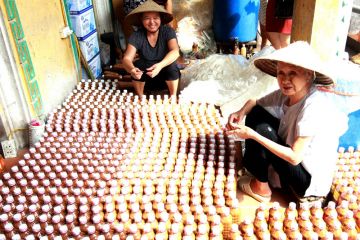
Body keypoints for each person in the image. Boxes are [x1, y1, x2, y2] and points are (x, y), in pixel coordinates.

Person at [226, 41, 347, 203]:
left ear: (308, 75)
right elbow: (255, 102)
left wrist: (252, 135)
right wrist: (240, 113)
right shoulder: (287, 94)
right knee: (256, 113)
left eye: (293, 73)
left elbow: (295, 157)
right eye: (281, 73)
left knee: (261, 130)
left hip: (306, 181)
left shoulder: (313, 105)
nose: (285, 80)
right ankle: (262, 179)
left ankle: (261, 187)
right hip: (293, 165)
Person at [122, 0, 180, 96]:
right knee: (138, 64)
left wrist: (160, 65)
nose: (152, 22)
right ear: (141, 20)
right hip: (145, 79)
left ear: (161, 19)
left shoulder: (168, 31)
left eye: (155, 18)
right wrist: (132, 69)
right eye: (147, 18)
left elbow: (175, 51)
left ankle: (173, 96)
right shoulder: (137, 35)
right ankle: (140, 96)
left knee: (172, 66)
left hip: (166, 78)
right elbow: (127, 59)